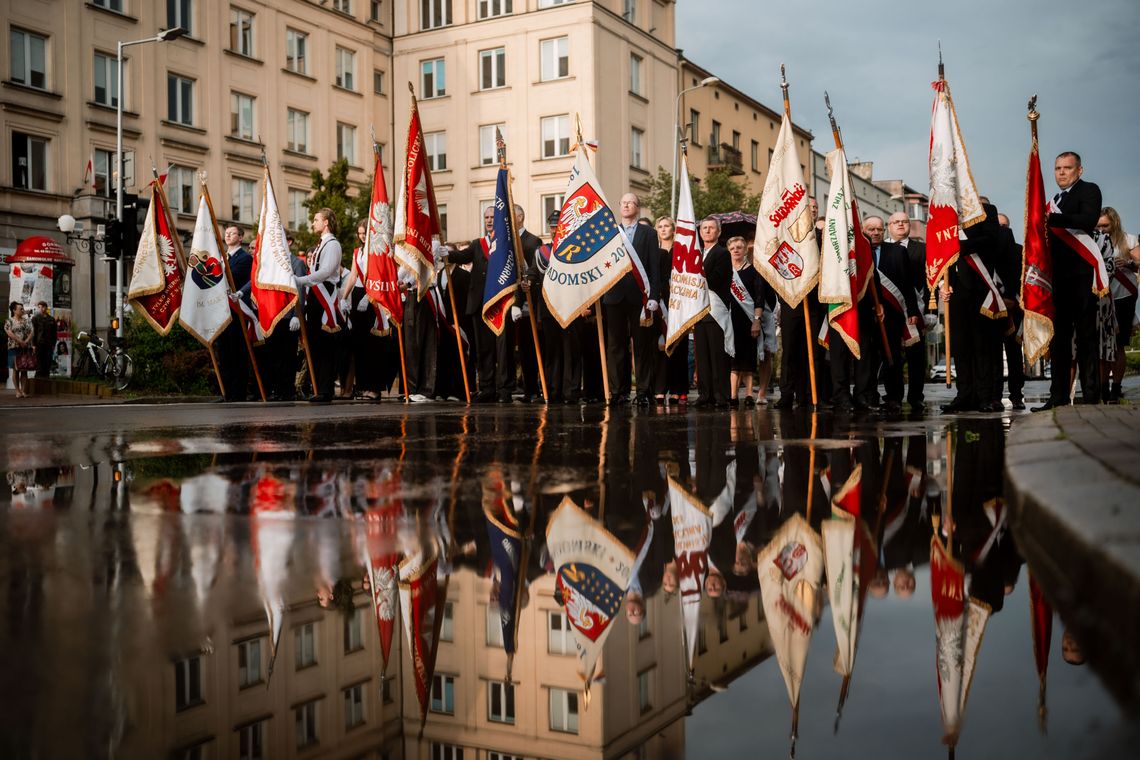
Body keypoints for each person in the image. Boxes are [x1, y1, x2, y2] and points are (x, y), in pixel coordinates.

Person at [1036, 152, 1103, 410]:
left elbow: (1087, 220)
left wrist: (1052, 219)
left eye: (1067, 168)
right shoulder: (1053, 200)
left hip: (1082, 277)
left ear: (1079, 170)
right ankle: (1058, 396)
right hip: (1058, 279)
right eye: (1057, 168)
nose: (1061, 173)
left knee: (1086, 339)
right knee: (1060, 341)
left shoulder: (1089, 191)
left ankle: (1091, 396)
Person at [942, 201, 1005, 413]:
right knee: (960, 347)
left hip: (980, 286)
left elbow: (990, 239)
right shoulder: (945, 212)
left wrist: (959, 245)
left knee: (981, 346)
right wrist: (943, 284)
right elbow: (941, 255)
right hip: (956, 290)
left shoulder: (986, 210)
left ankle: (985, 396)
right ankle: (964, 395)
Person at [447, 207, 515, 402]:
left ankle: (505, 389)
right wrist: (447, 253)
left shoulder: (507, 244)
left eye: (493, 217)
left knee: (503, 350)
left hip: (501, 304)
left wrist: (516, 302)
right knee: (484, 349)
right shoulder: (478, 244)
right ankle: (487, 388)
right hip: (480, 305)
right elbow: (463, 256)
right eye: (486, 217)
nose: (489, 220)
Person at [601, 193, 660, 406]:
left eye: (630, 202)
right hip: (614, 297)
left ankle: (644, 392)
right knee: (616, 346)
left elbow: (654, 267)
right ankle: (619, 391)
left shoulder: (649, 233)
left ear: (638, 207)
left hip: (641, 298)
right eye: (623, 202)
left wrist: (654, 295)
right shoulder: (609, 232)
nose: (626, 205)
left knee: (642, 346)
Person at [866, 216, 920, 415]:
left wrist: (912, 310)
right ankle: (868, 396)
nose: (876, 232)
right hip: (866, 314)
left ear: (884, 231)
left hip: (891, 314)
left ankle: (894, 397)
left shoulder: (898, 251)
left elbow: (907, 283)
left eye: (879, 229)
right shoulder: (858, 252)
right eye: (871, 229)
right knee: (868, 358)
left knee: (893, 357)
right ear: (864, 230)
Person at [295, 208, 344, 402]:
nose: (313, 223)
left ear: (326, 223)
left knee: (324, 346)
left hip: (324, 296)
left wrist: (300, 280)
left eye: (316, 220)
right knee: (315, 344)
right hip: (315, 297)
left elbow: (325, 272)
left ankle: (325, 390)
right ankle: (319, 387)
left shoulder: (332, 245)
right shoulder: (320, 244)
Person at [339, 222, 387, 401]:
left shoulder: (377, 250)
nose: (361, 236)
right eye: (359, 233)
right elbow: (353, 276)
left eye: (364, 233)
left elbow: (380, 274)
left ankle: (374, 388)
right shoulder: (357, 252)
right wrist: (344, 297)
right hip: (358, 294)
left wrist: (369, 296)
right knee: (358, 345)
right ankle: (363, 386)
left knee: (371, 346)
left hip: (372, 296)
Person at [887, 211, 929, 409]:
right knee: (891, 356)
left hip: (916, 310)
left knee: (916, 357)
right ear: (889, 226)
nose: (901, 225)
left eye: (904, 221)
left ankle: (916, 396)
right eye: (896, 222)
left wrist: (930, 311)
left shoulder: (922, 249)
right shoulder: (881, 249)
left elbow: (931, 283)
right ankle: (893, 396)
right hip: (890, 311)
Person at [1097, 208, 1139, 401]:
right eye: (1099, 225)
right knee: (1101, 345)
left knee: (1118, 344)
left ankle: (1116, 387)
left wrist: (1129, 263)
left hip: (1124, 295)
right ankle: (1102, 387)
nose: (1102, 229)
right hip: (1101, 296)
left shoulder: (1128, 240)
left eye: (1105, 225)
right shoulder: (1094, 241)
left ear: (1114, 223)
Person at [693, 217, 732, 408]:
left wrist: (695, 274)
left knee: (718, 356)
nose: (707, 231)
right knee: (702, 356)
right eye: (704, 228)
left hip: (715, 312)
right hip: (699, 313)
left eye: (711, 228)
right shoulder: (696, 253)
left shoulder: (722, 253)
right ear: (700, 232)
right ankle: (705, 394)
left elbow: (715, 279)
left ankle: (721, 396)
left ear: (719, 232)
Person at [726, 236, 767, 406]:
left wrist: (756, 320)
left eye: (739, 247)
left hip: (748, 320)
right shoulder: (726, 271)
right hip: (729, 320)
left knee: (748, 359)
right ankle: (733, 395)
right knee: (733, 359)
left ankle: (749, 395)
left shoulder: (754, 271)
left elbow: (759, 298)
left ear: (745, 250)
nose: (736, 250)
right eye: (732, 248)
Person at [653, 215, 689, 404]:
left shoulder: (680, 251)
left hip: (679, 302)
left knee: (679, 347)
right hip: (658, 304)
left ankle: (678, 389)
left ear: (674, 229)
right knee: (660, 347)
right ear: (657, 230)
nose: (664, 229)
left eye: (667, 226)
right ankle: (660, 389)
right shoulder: (654, 251)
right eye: (661, 226)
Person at [995, 213, 1026, 409]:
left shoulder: (1019, 250)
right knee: (993, 354)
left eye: (1004, 226)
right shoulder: (987, 249)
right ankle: (994, 396)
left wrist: (1014, 299)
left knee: (1014, 353)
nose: (1001, 229)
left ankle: (1016, 394)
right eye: (997, 226)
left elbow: (1024, 279)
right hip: (991, 307)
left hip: (1014, 307)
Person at [514, 204, 544, 403]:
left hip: (530, 303)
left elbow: (534, 273)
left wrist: (522, 300)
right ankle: (528, 389)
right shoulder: (506, 241)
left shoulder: (533, 241)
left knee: (534, 349)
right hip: (512, 303)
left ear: (521, 216)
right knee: (523, 350)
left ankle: (537, 390)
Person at [218, 225, 252, 401]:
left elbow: (233, 277)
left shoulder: (244, 258)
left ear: (240, 237)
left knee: (236, 352)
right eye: (226, 233)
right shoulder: (221, 258)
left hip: (237, 310)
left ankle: (238, 392)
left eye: (232, 233)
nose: (228, 234)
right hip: (221, 311)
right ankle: (226, 392)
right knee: (223, 352)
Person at [6, 302, 34, 397]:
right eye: (20, 309)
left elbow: (32, 331)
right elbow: (9, 332)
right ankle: (17, 391)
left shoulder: (27, 321)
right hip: (14, 347)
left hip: (26, 347)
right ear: (14, 310)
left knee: (24, 369)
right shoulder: (9, 321)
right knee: (16, 369)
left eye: (22, 309)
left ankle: (23, 391)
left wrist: (26, 341)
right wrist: (20, 341)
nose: (22, 310)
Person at [30, 301, 56, 378]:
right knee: (39, 363)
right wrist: (33, 345)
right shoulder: (35, 318)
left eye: (42, 307)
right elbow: (33, 332)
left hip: (49, 344)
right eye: (39, 307)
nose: (41, 309)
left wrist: (53, 344)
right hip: (39, 344)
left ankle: (46, 378)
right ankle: (38, 380)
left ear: (45, 307)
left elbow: (54, 333)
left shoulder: (51, 319)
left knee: (47, 362)